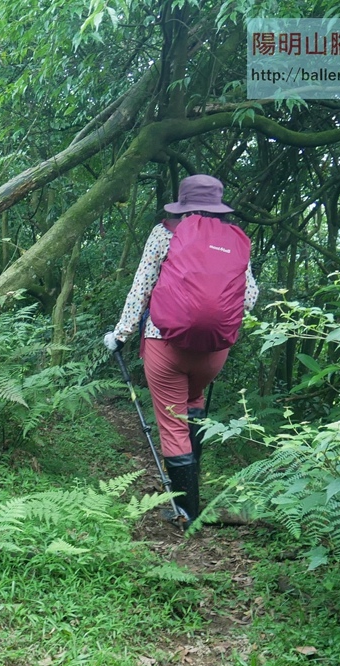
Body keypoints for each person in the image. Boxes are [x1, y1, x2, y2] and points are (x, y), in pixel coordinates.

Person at [104, 174, 258, 525]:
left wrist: (121, 334)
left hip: (165, 344)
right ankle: (193, 501)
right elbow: (249, 297)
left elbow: (141, 287)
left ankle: (186, 511)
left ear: (183, 204)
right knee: (193, 402)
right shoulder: (234, 239)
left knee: (173, 423)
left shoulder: (165, 233)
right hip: (213, 353)